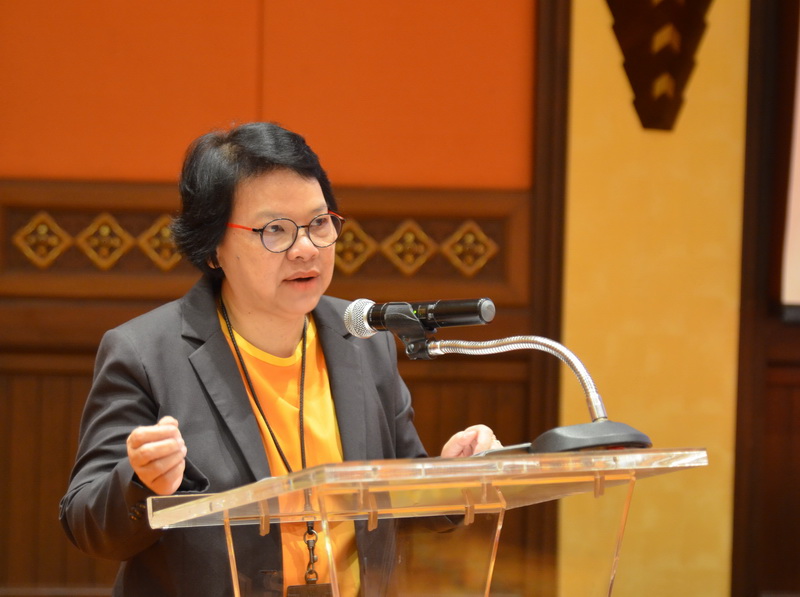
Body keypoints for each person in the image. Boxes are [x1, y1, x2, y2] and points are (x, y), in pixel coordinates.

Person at [59, 122, 500, 596]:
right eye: (275, 230)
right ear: (213, 247)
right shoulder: (146, 353)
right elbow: (86, 523)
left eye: (319, 223)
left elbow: (397, 504)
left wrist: (454, 477)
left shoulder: (365, 342)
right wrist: (143, 482)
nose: (306, 249)